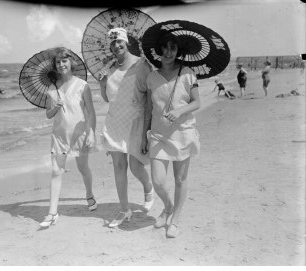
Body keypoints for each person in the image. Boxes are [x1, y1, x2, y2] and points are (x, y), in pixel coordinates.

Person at [141, 32, 201, 238]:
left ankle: (175, 219)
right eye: (165, 47)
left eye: (173, 48)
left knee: (180, 179)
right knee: (158, 181)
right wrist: (143, 137)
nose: (168, 52)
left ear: (178, 51)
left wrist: (179, 111)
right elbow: (148, 109)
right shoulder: (151, 77)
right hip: (158, 135)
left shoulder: (187, 73)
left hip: (183, 133)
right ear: (159, 50)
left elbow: (197, 102)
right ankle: (168, 206)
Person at [98, 27, 154, 228]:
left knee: (135, 165)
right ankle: (124, 210)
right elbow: (107, 98)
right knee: (119, 166)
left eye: (119, 41)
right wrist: (102, 83)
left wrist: (148, 128)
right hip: (114, 121)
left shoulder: (142, 64)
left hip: (135, 120)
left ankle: (148, 188)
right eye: (112, 43)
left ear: (126, 41)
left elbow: (150, 96)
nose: (116, 45)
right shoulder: (110, 68)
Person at [39, 47, 97, 228]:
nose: (61, 64)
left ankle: (89, 194)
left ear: (71, 63)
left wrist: (91, 132)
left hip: (79, 133)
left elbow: (91, 113)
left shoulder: (82, 85)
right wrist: (55, 106)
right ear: (55, 66)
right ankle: (52, 212)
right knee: (56, 171)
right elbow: (48, 115)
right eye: (58, 62)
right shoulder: (51, 88)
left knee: (83, 167)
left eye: (64, 61)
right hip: (59, 136)